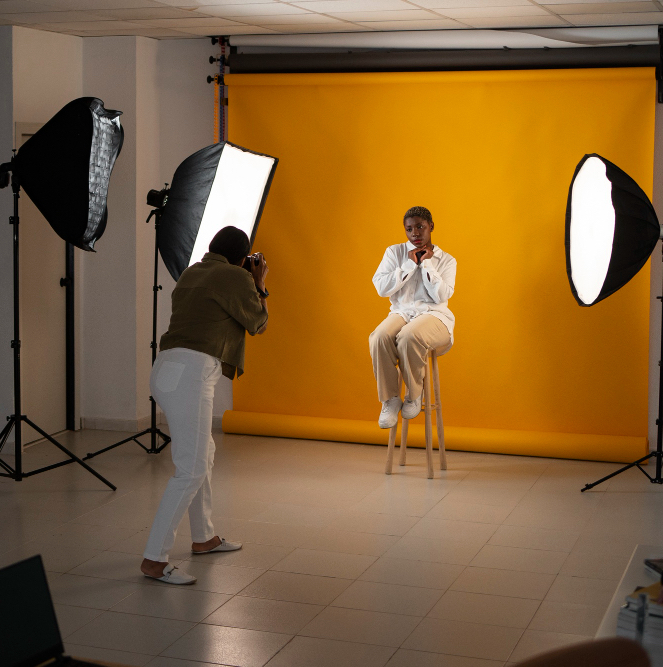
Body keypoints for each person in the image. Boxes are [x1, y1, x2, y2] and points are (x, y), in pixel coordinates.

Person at [140, 226, 269, 585]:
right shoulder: (235, 277)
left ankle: (204, 537)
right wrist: (259, 284)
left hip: (166, 368)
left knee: (203, 455)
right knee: (191, 469)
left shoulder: (191, 272)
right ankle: (154, 559)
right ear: (242, 258)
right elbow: (258, 323)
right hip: (193, 373)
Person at [369, 206, 456, 428]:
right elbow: (381, 288)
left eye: (420, 227)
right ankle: (390, 400)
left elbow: (441, 296)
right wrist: (410, 264)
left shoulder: (447, 260)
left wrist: (426, 263)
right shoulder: (394, 253)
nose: (415, 233)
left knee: (409, 336)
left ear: (431, 226)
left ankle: (414, 395)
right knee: (378, 337)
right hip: (402, 312)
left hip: (435, 315)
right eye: (409, 229)